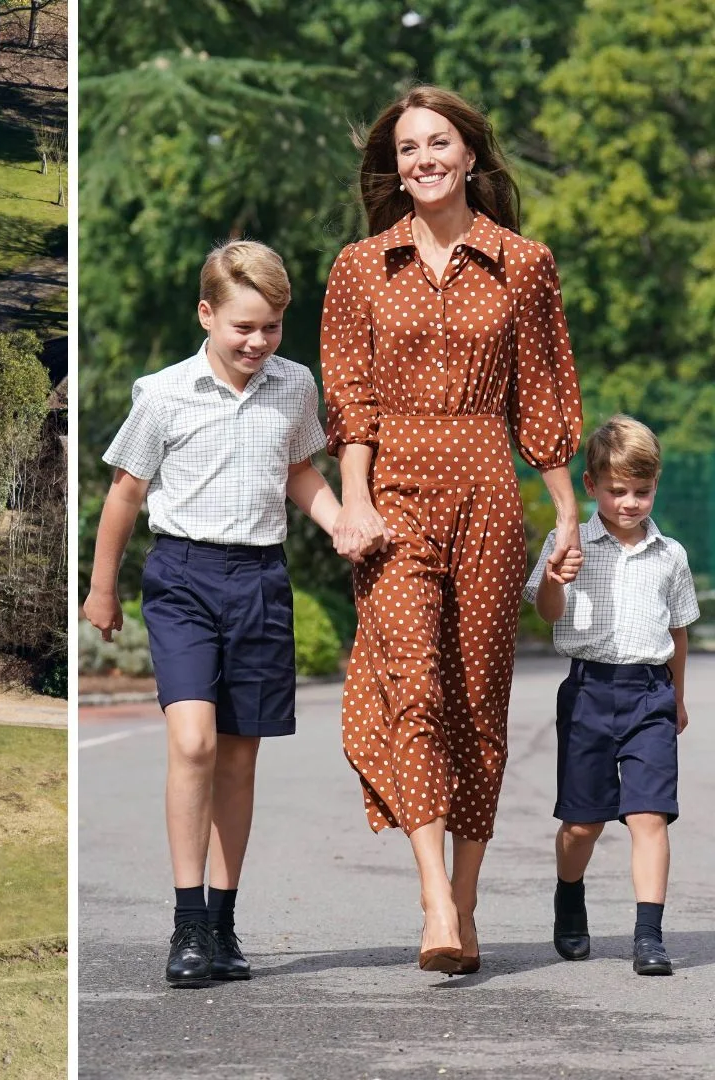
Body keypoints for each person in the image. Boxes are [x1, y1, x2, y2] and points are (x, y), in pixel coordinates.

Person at [322, 85, 584, 974]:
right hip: (393, 496)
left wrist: (566, 509)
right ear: (393, 169)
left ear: (471, 155)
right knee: (415, 687)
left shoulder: (525, 263)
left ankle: (466, 900)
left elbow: (542, 395)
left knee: (477, 699)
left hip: (486, 490)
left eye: (439, 143)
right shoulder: (361, 267)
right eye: (407, 149)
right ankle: (434, 897)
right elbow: (349, 403)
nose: (423, 159)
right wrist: (353, 501)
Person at [83, 239, 340, 988]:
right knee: (192, 742)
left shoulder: (294, 387)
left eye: (271, 327)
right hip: (184, 577)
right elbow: (126, 494)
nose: (258, 342)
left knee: (238, 753)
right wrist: (102, 589)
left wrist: (343, 522)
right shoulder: (162, 393)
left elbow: (299, 470)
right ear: (207, 314)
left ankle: (224, 925)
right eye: (243, 327)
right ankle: (187, 923)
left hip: (260, 578)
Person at [524, 416, 698, 976]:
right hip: (588, 692)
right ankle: (569, 895)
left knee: (650, 816)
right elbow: (547, 614)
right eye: (617, 491)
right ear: (591, 487)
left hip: (650, 694)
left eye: (642, 491)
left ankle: (648, 935)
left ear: (655, 486)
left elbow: (678, 631)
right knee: (583, 825)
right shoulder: (567, 543)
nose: (630, 503)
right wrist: (555, 577)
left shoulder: (670, 555)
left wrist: (678, 695)